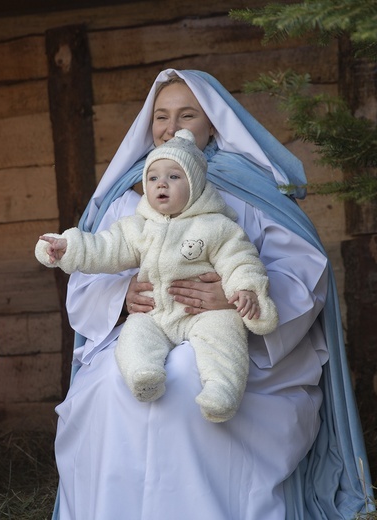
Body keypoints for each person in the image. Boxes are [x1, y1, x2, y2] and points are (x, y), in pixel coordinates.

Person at [51, 70, 373, 519]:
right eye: (161, 116)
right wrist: (122, 294)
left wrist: (238, 296)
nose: (170, 125)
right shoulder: (132, 193)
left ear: (213, 122)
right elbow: (98, 260)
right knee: (112, 383)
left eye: (187, 114)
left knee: (187, 378)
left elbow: (303, 271)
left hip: (237, 340)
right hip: (148, 327)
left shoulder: (251, 189)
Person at [36, 129, 278, 422]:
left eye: (174, 177)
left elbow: (240, 260)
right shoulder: (138, 227)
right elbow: (104, 247)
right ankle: (144, 375)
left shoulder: (217, 226)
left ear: (196, 184)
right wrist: (68, 247)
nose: (161, 183)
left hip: (202, 313)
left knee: (224, 339)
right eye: (153, 178)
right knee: (133, 337)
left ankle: (222, 392)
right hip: (157, 312)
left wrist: (246, 290)